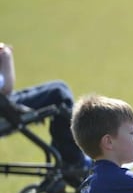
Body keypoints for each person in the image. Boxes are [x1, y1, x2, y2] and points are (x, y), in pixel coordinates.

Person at [0, 42, 91, 183]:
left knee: (59, 87)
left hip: (5, 103)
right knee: (58, 94)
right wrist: (6, 57)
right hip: (4, 108)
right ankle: (73, 161)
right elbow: (6, 87)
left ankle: (66, 153)